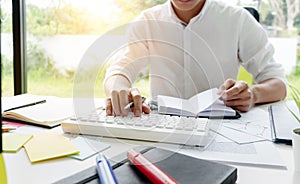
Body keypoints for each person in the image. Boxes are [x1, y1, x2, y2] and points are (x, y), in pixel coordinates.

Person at [104, 0, 287, 117]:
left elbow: (279, 84)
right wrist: (118, 88)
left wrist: (253, 94)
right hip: (164, 126)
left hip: (221, 127)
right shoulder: (147, 21)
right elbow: (120, 69)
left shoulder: (238, 19)